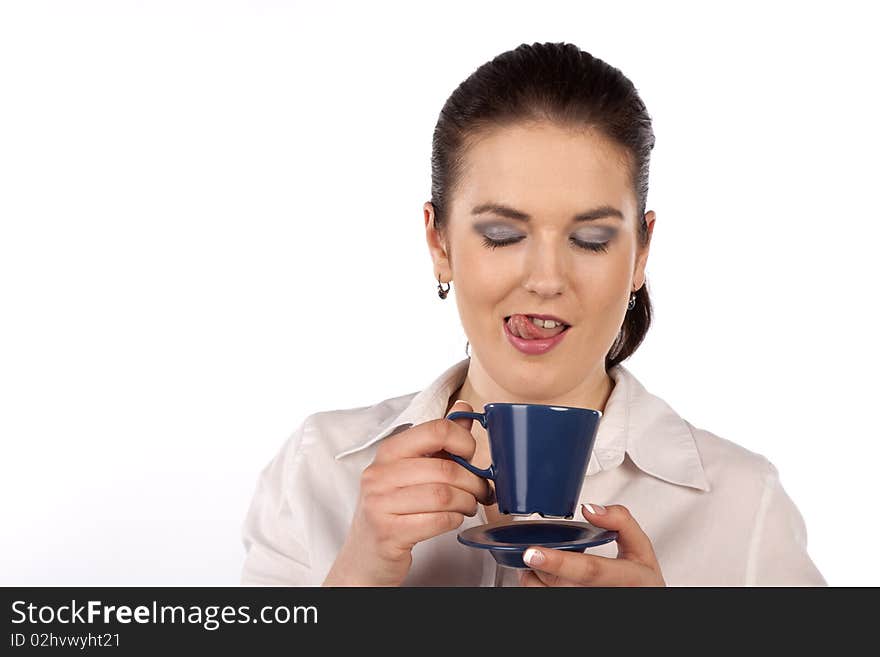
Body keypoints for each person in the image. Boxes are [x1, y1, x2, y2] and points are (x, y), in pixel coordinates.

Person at [239, 42, 826, 587]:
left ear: (641, 252)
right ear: (439, 244)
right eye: (501, 234)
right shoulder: (317, 470)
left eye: (591, 239)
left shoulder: (744, 504)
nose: (546, 280)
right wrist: (356, 579)